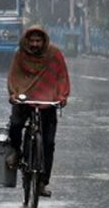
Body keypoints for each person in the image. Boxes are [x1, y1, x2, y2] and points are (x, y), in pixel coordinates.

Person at [6, 26, 71, 197]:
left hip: (47, 101)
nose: (35, 44)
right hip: (25, 99)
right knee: (16, 124)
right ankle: (16, 150)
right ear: (27, 41)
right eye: (32, 41)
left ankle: (42, 182)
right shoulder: (19, 55)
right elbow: (14, 77)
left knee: (48, 143)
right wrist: (14, 93)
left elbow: (62, 76)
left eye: (38, 41)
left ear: (44, 42)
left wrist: (62, 95)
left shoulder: (54, 55)